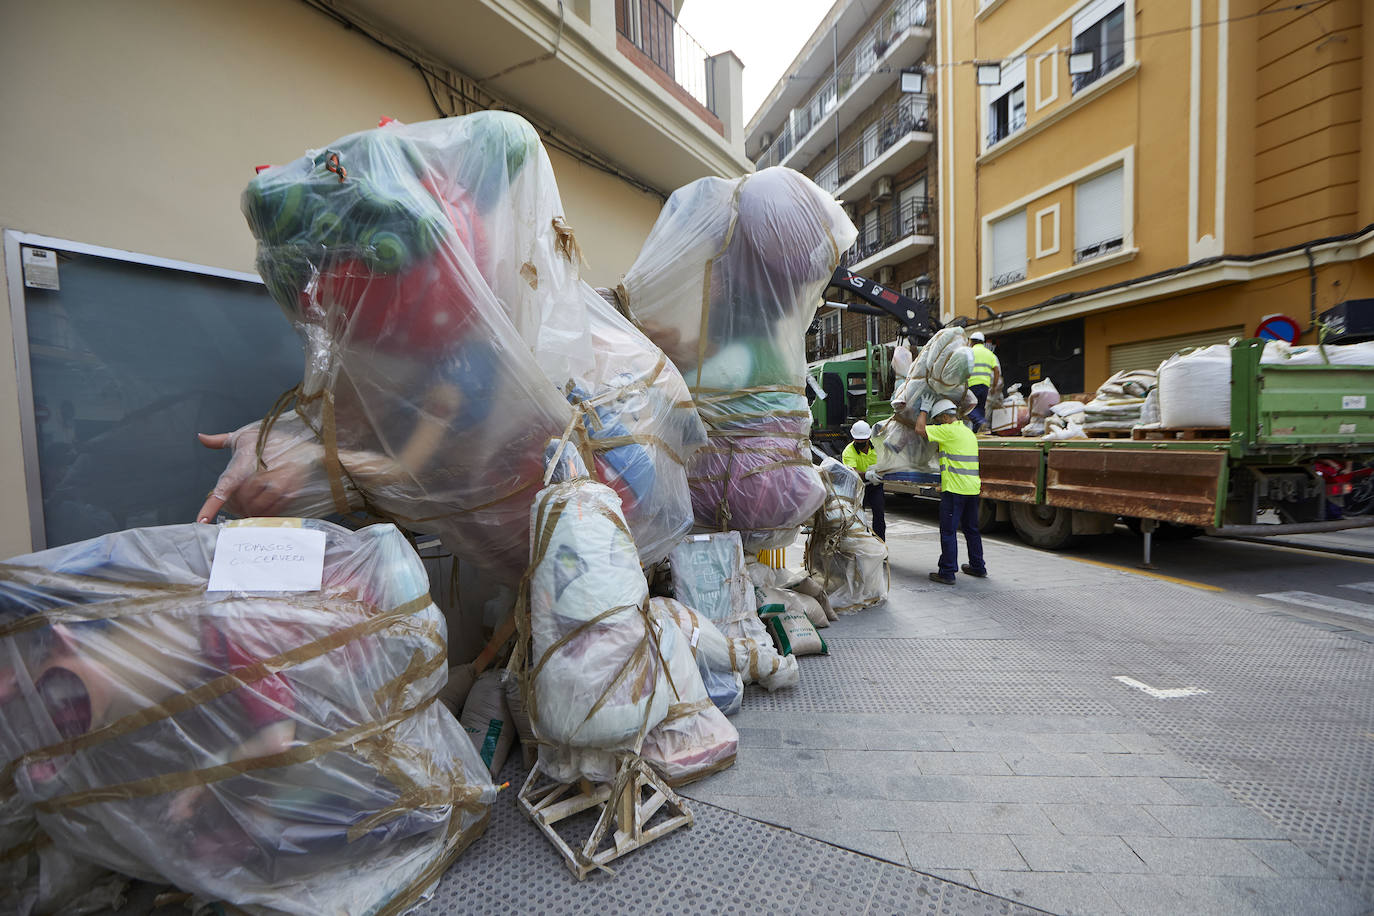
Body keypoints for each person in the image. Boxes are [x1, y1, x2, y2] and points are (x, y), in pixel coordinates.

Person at [915, 399, 986, 584]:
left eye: (938, 419)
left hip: (955, 490)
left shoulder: (948, 430)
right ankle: (978, 567)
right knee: (971, 529)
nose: (938, 423)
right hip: (972, 488)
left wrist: (923, 410)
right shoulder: (968, 432)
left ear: (946, 417)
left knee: (948, 531)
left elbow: (920, 430)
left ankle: (947, 572)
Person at [841, 419, 885, 540]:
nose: (860, 442)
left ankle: (880, 543)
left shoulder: (877, 446)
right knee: (859, 516)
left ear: (869, 437)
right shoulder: (848, 452)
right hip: (857, 486)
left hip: (875, 485)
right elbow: (852, 472)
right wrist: (866, 475)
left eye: (863, 440)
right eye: (857, 439)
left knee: (879, 514)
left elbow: (885, 461)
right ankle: (863, 542)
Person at [967, 331, 1000, 430]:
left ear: (972, 342)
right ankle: (979, 430)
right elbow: (997, 371)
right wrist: (994, 386)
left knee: (968, 409)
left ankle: (980, 422)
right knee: (980, 408)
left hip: (971, 384)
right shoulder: (990, 354)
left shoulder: (969, 352)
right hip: (985, 386)